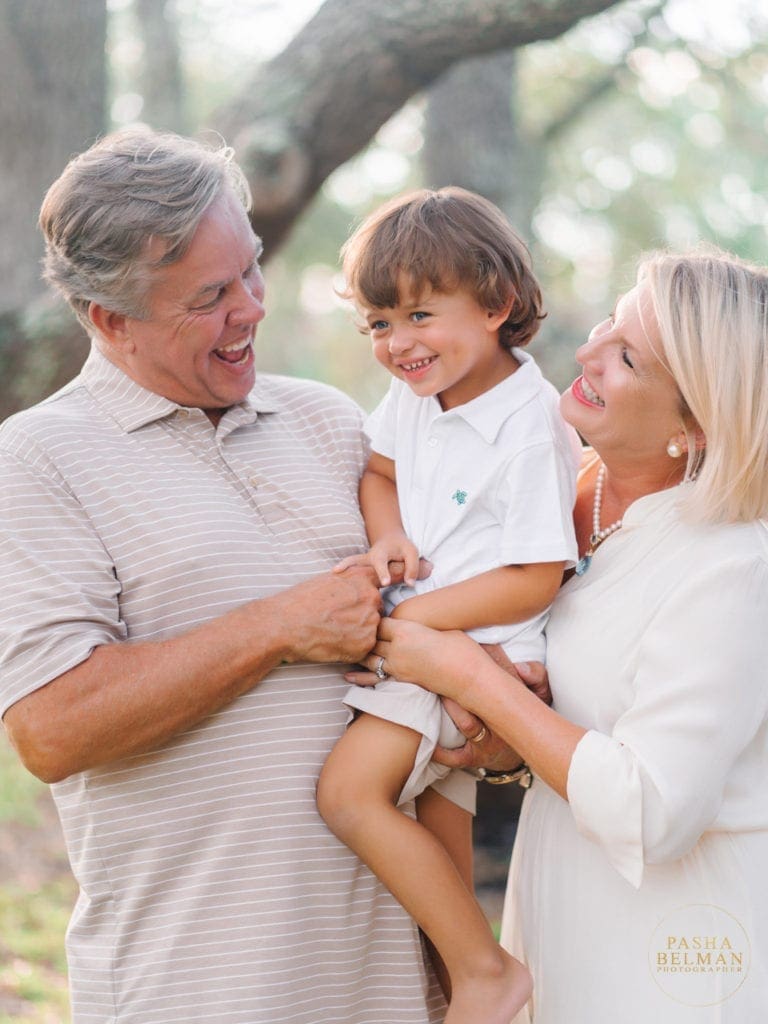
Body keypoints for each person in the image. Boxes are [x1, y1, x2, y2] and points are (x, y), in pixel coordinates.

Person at [0, 128, 453, 1024]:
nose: (249, 307)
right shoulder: (37, 461)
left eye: (249, 270)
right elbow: (52, 726)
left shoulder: (330, 425)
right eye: (210, 296)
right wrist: (281, 627)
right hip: (197, 990)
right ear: (108, 318)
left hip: (390, 991)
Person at [349, 245, 768, 1022]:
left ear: (697, 420)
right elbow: (565, 726)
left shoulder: (734, 566)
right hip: (557, 919)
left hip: (677, 959)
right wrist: (502, 734)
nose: (586, 353)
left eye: (627, 357)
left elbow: (653, 811)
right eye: (608, 323)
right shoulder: (558, 481)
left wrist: (469, 677)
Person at [316, 188, 580, 1024]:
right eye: (380, 325)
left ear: (497, 304)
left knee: (350, 796)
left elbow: (538, 573)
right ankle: (459, 990)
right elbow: (378, 471)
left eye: (421, 316)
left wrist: (416, 626)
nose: (399, 345)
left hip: (466, 651)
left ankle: (488, 973)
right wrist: (387, 535)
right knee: (438, 842)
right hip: (428, 643)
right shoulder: (420, 397)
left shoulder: (529, 425)